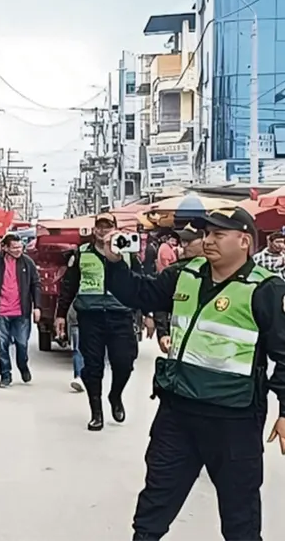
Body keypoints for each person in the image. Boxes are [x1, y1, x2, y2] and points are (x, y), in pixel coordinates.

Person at [100, 207, 285, 541]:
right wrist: (114, 262)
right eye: (206, 233)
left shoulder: (266, 289)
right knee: (153, 507)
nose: (207, 240)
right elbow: (139, 293)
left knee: (240, 517)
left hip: (233, 419)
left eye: (218, 234)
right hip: (178, 412)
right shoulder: (186, 274)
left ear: (244, 241)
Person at [54, 212, 142, 431]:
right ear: (94, 230)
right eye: (100, 227)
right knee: (92, 367)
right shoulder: (82, 253)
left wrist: (147, 315)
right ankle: (96, 412)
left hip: (120, 315)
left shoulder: (128, 254)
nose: (103, 231)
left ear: (116, 228)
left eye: (108, 226)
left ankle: (115, 395)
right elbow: (68, 287)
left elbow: (141, 285)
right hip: (90, 317)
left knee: (124, 362)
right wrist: (60, 315)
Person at [0, 233, 41, 388]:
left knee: (22, 344)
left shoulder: (27, 263)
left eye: (19, 247)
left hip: (21, 311)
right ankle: (5, 375)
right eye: (14, 247)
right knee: (2, 345)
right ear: (5, 248)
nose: (17, 250)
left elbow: (36, 285)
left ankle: (23, 366)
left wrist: (37, 307)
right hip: (1, 311)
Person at [152, 223, 205, 352]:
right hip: (179, 344)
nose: (183, 246)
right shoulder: (174, 271)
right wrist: (163, 333)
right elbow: (160, 302)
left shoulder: (222, 269)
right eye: (182, 241)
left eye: (189, 241)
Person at [67, 303, 84, 393]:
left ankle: (86, 377)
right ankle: (79, 377)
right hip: (76, 318)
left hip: (95, 318)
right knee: (77, 349)